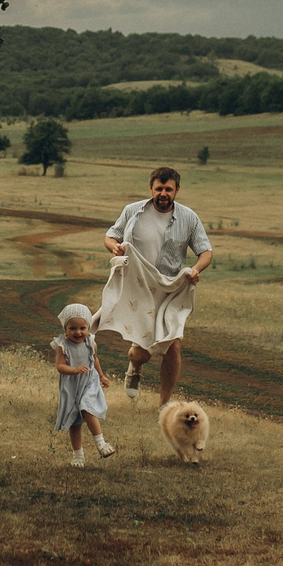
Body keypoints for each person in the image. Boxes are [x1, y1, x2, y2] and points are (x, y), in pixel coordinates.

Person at [99, 166, 212, 406]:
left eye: (168, 189)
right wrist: (114, 248)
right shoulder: (132, 211)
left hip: (169, 288)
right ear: (151, 188)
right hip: (137, 287)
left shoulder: (189, 218)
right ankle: (135, 366)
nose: (163, 193)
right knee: (139, 352)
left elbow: (206, 251)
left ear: (177, 190)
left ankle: (164, 406)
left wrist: (195, 270)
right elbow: (110, 236)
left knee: (173, 344)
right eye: (159, 188)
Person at [51, 303, 117, 466]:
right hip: (72, 385)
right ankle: (78, 455)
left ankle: (101, 443)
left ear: (88, 327)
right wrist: (73, 370)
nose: (78, 332)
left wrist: (101, 376)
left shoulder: (90, 342)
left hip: (89, 381)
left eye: (82, 328)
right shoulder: (63, 345)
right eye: (72, 328)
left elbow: (94, 359)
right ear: (65, 329)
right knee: (75, 422)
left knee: (87, 407)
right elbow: (60, 366)